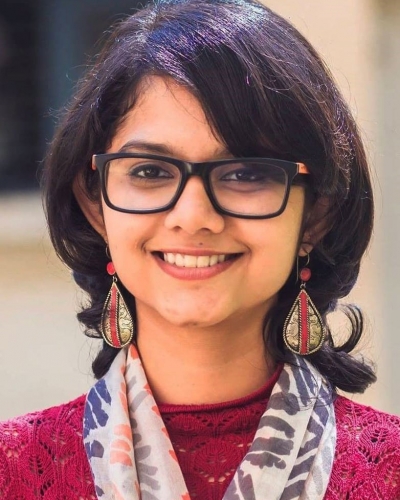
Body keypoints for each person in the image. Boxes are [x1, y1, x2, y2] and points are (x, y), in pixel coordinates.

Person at [1, 0, 399, 498]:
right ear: (95, 204)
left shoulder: (389, 473)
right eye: (150, 171)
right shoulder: (12, 474)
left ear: (315, 214)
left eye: (245, 174)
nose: (193, 216)